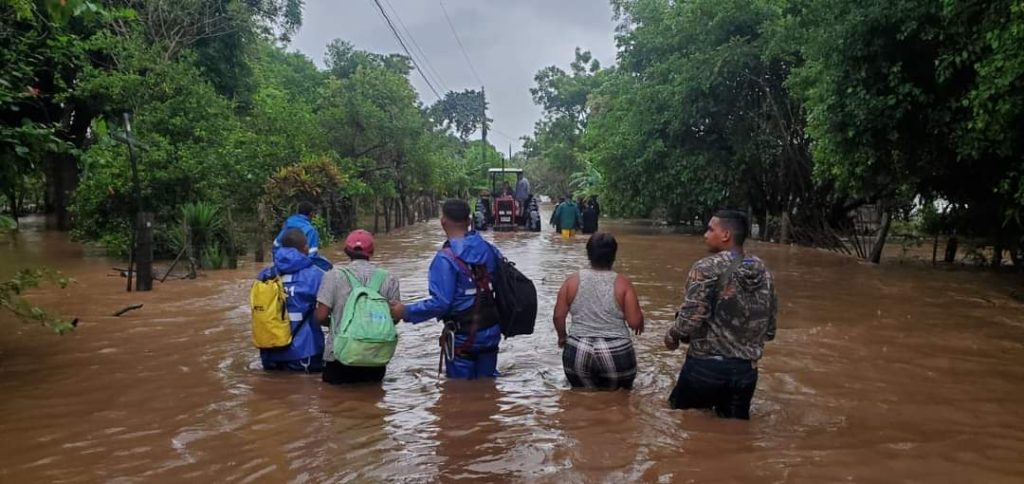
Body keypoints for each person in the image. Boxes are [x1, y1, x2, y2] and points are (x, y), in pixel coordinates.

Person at [664, 210, 778, 419]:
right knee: (735, 435)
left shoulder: (706, 268)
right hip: (746, 374)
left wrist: (671, 336)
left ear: (725, 235)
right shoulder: (763, 270)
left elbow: (691, 318)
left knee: (680, 426)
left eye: (710, 229)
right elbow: (769, 330)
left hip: (705, 368)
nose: (705, 234)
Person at [389, 199, 504, 379]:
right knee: (488, 383)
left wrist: (406, 312)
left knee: (459, 396)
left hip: (463, 336)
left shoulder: (445, 259)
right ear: (469, 220)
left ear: (443, 221)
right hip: (491, 331)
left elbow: (441, 303)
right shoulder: (489, 250)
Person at [553, 233, 644, 390]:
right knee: (620, 401)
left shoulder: (572, 281)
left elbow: (558, 316)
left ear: (588, 254)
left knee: (580, 400)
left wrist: (562, 337)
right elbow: (634, 322)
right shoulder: (623, 283)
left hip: (577, 350)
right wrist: (640, 320)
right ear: (614, 255)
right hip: (616, 351)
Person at [314, 230, 401, 385]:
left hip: (338, 356)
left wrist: (336, 321)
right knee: (372, 402)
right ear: (372, 251)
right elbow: (395, 318)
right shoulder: (389, 278)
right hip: (375, 357)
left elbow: (320, 316)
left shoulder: (333, 275)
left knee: (333, 404)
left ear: (346, 251)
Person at [256, 228, 328, 372]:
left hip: (269, 354)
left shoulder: (264, 275)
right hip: (305, 352)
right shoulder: (316, 275)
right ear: (306, 248)